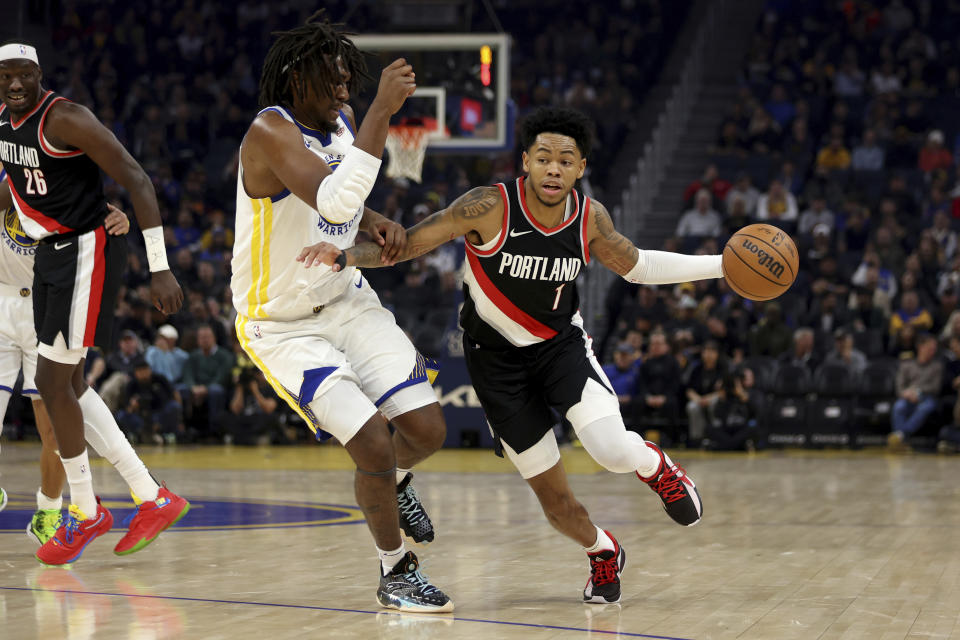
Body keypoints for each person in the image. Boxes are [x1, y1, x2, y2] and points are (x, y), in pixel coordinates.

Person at [307, 106, 719, 605]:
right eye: (543, 158)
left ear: (580, 168)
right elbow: (412, 244)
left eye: (565, 161)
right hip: (497, 366)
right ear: (525, 160)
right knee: (556, 504)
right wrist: (347, 255)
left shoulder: (590, 219)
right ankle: (603, 550)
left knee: (610, 450)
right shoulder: (487, 206)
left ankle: (658, 469)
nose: (553, 169)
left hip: (560, 349)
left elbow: (639, 266)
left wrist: (723, 266)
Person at [229, 13, 451, 612]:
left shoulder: (340, 121)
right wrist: (382, 110)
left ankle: (394, 484)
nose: (347, 94)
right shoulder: (270, 133)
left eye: (354, 86)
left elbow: (345, 196)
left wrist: (375, 221)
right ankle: (395, 570)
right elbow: (330, 197)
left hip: (344, 294)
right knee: (374, 445)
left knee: (427, 429)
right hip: (280, 323)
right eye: (337, 83)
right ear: (299, 77)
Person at [0, 42, 189, 565]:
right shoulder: (2, 124)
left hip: (85, 250)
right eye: (4, 77)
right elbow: (19, 186)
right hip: (50, 255)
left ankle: (87, 510)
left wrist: (160, 266)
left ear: (40, 75)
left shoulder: (66, 118)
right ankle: (147, 497)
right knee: (66, 385)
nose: (14, 85)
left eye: (23, 76)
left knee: (55, 383)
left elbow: (136, 177)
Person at [0, 187, 131, 545]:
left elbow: (95, 214)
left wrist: (117, 218)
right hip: (2, 296)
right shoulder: (13, 160)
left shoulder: (61, 175)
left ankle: (49, 508)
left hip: (48, 303)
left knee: (54, 426)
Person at [889, 332, 943, 449]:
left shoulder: (937, 366)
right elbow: (899, 386)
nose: (932, 352)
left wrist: (917, 391)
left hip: (927, 397)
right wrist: (907, 393)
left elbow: (935, 387)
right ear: (920, 347)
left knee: (924, 408)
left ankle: (900, 436)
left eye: (934, 349)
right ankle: (901, 441)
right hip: (908, 396)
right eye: (930, 348)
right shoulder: (907, 364)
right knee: (899, 406)